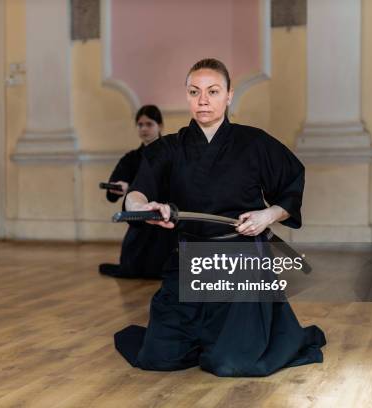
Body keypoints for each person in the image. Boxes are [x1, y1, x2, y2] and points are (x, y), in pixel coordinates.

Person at [114, 59, 326, 377]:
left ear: (228, 96)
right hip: (188, 262)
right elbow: (138, 192)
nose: (203, 100)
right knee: (157, 357)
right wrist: (142, 206)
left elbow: (290, 191)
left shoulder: (254, 143)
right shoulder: (168, 148)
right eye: (194, 91)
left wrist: (267, 215)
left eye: (213, 91)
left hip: (240, 262)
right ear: (186, 96)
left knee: (232, 363)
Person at [99, 105, 171, 279]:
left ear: (160, 126)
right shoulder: (131, 158)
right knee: (133, 267)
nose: (144, 129)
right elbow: (112, 192)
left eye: (149, 124)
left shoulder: (172, 152)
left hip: (166, 220)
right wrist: (121, 188)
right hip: (141, 221)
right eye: (140, 125)